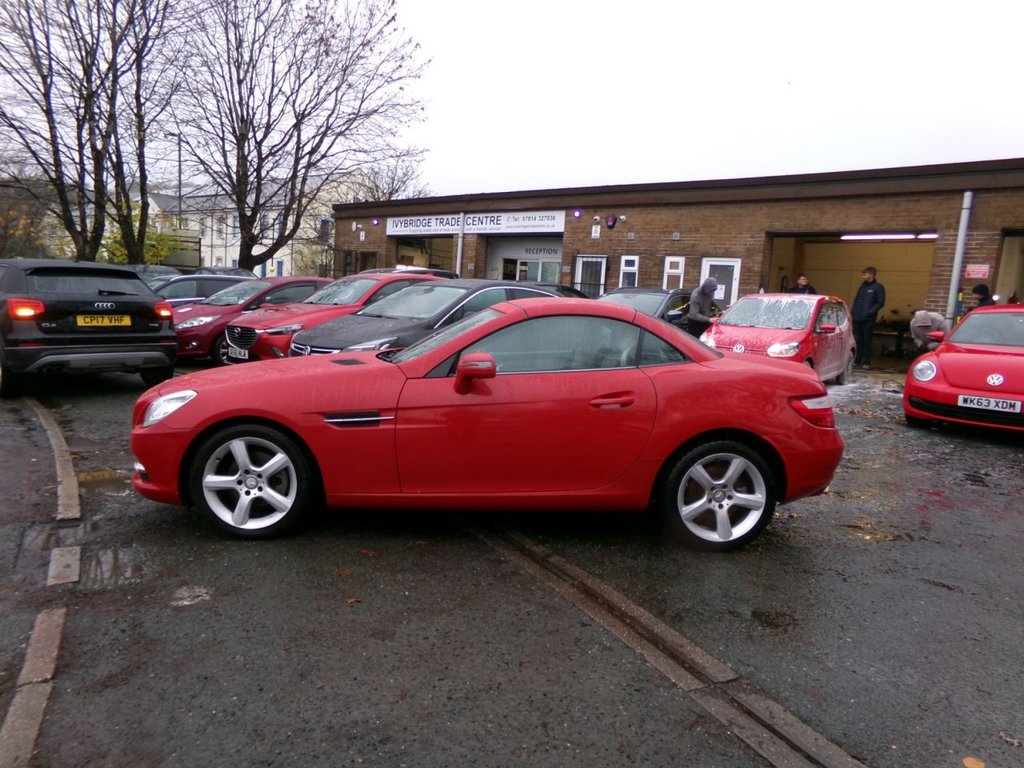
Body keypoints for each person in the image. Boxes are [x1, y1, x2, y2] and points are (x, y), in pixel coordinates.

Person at [851, 267, 885, 369]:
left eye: (865, 274)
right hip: (857, 318)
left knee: (867, 340)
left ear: (871, 275)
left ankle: (866, 362)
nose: (863, 277)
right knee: (858, 340)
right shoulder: (862, 288)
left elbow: (880, 302)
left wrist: (870, 312)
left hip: (868, 319)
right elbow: (856, 301)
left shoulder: (878, 287)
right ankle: (857, 361)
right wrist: (853, 312)